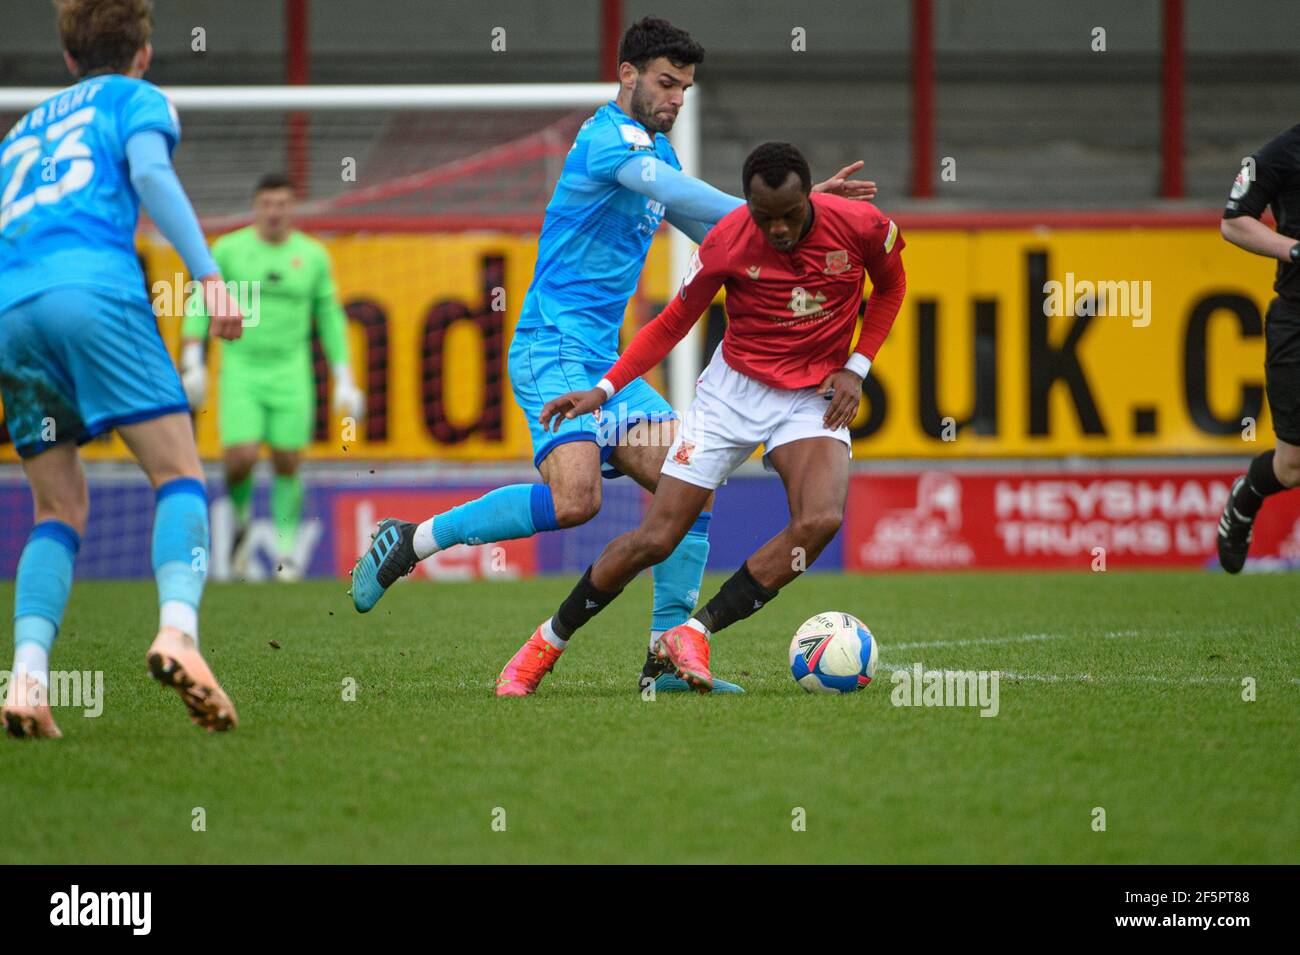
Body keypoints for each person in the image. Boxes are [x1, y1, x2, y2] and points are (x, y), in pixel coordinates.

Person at [350, 16, 875, 694]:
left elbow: (717, 230)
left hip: (607, 363)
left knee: (689, 491)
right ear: (627, 75)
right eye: (665, 83)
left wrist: (798, 216)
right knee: (576, 502)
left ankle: (666, 661)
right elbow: (696, 202)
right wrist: (777, 206)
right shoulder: (608, 141)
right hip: (551, 348)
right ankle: (411, 539)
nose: (675, 99)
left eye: (684, 88)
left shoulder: (660, 157)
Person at [495, 141, 906, 696]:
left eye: (790, 215)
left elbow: (892, 285)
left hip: (813, 394)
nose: (779, 229)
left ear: (809, 196)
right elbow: (671, 324)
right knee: (657, 537)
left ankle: (694, 631)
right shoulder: (727, 242)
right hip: (732, 396)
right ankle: (542, 647)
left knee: (821, 519)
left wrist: (857, 367)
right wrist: (604, 389)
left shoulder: (861, 225)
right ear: (747, 206)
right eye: (765, 218)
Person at [0, 0, 241, 737]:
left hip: (12, 312)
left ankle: (27, 680)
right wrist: (208, 275)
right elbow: (151, 175)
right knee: (177, 474)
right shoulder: (135, 97)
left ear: (69, 58)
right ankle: (176, 632)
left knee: (57, 510)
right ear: (142, 52)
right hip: (94, 291)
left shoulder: (18, 132)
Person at [181, 173, 364, 580]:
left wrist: (344, 376)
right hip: (241, 369)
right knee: (241, 456)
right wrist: (192, 357)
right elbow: (200, 300)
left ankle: (286, 553)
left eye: (283, 204)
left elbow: (330, 318)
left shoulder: (312, 256)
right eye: (268, 204)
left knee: (287, 460)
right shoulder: (229, 250)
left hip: (291, 371)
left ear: (292, 208)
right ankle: (242, 523)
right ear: (256, 206)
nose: (275, 212)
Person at [1216, 125, 1300, 572]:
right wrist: (1294, 250)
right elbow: (1233, 222)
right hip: (1296, 319)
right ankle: (1247, 497)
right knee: (1292, 468)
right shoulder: (1283, 152)